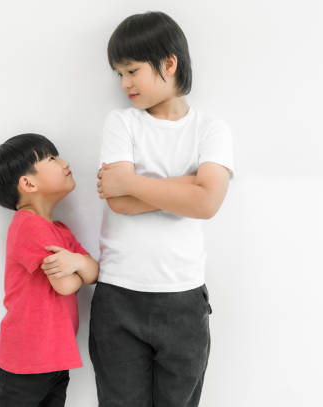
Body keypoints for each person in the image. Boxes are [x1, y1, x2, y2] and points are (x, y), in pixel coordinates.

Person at [90, 11, 235, 407]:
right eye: (119, 74)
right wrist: (187, 185)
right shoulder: (121, 123)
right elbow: (116, 200)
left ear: (169, 63)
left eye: (132, 71)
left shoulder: (210, 129)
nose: (125, 84)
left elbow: (206, 203)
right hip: (119, 296)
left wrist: (134, 183)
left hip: (183, 300)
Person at [0, 133, 99, 407]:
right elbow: (66, 284)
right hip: (25, 360)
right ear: (28, 183)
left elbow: (93, 272)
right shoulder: (28, 225)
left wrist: (79, 263)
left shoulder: (59, 231)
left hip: (53, 360)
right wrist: (78, 265)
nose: (64, 162)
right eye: (52, 158)